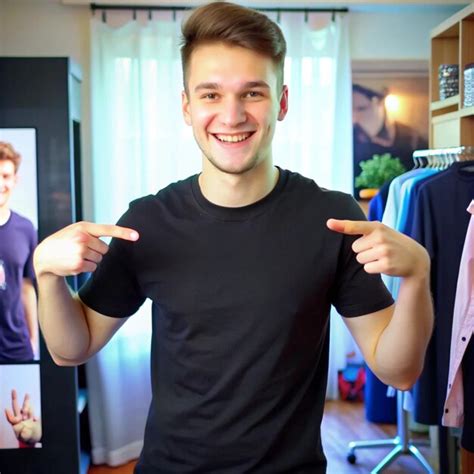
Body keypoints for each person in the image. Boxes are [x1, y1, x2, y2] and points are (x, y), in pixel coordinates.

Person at [33, 3, 434, 472]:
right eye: (210, 95)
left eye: (252, 93)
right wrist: (45, 273)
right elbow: (70, 348)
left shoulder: (332, 218)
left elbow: (399, 370)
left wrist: (418, 276)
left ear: (282, 102)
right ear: (186, 106)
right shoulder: (148, 221)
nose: (232, 114)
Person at [352, 83, 428, 195]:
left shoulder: (412, 138)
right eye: (351, 110)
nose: (355, 118)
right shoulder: (350, 142)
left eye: (361, 109)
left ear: (379, 103)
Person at [0, 141, 38, 362]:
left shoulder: (26, 228)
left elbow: (27, 288)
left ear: (15, 180)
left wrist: (33, 339)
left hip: (16, 348)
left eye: (5, 176)